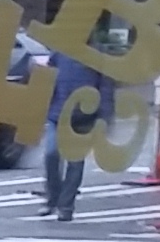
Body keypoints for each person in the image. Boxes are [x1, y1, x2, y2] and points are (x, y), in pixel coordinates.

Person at [44, 47, 117, 222]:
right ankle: (53, 197)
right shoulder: (60, 53)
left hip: (84, 117)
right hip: (58, 115)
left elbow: (105, 90)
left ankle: (66, 206)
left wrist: (104, 117)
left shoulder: (97, 57)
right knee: (51, 154)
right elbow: (48, 79)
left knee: (75, 164)